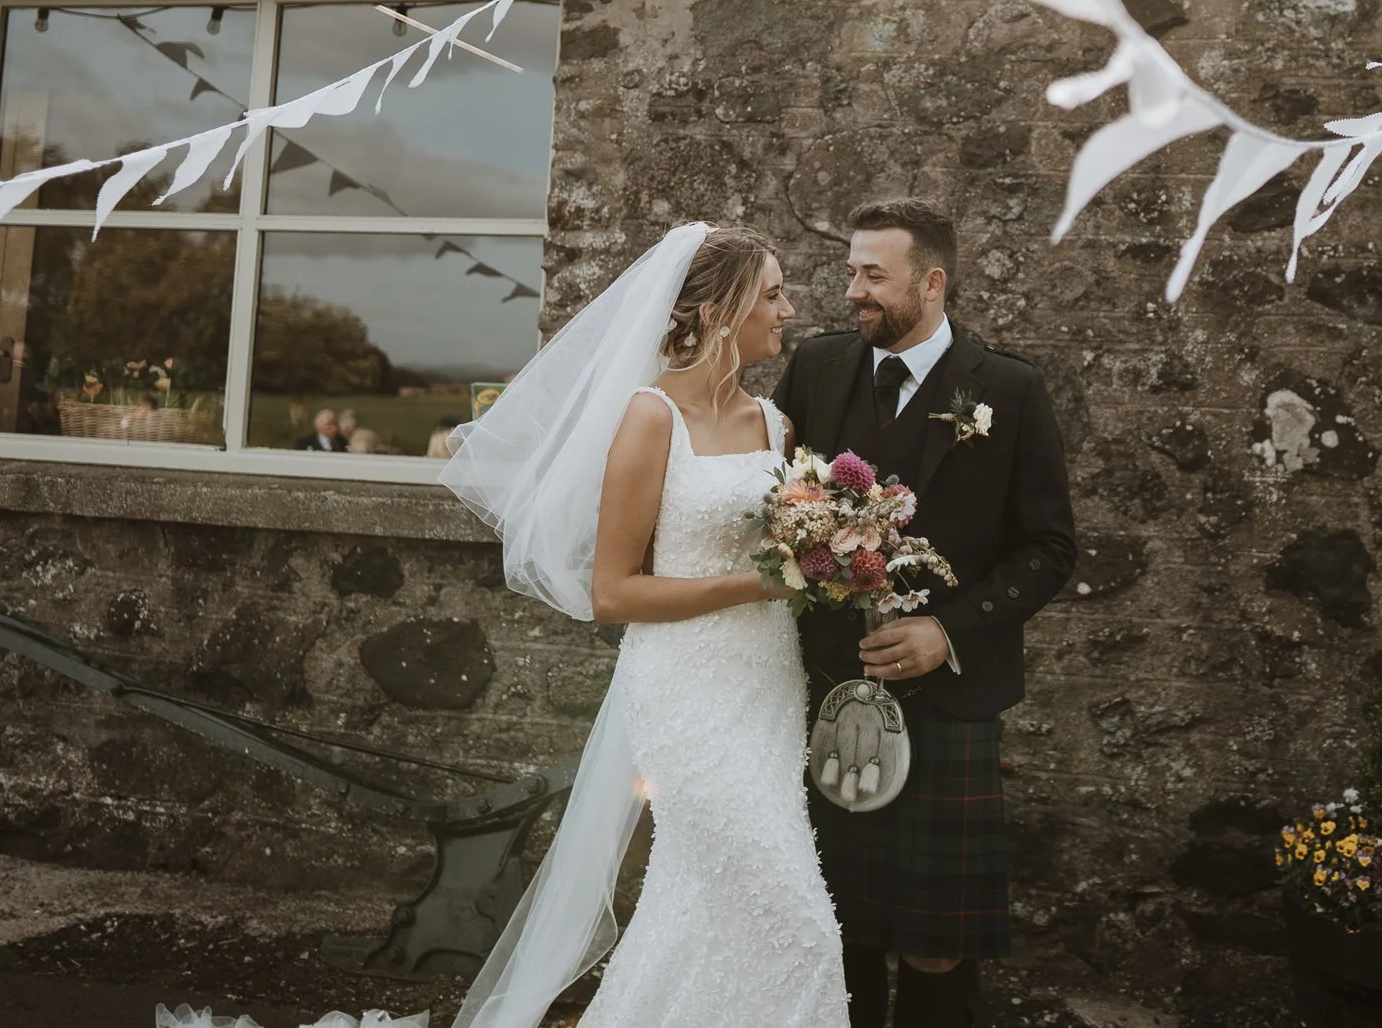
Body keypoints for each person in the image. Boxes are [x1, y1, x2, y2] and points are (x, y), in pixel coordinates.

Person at [436, 223, 848, 1028]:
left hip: (768, 687)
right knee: (800, 923)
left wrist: (837, 553)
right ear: (722, 308)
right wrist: (756, 583)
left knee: (697, 906)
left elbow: (791, 554)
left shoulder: (776, 427)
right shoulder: (650, 417)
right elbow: (613, 590)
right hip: (686, 693)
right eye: (773, 293)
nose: (789, 309)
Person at [773, 198, 1076, 1028]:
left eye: (874, 275)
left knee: (937, 939)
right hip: (824, 685)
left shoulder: (1007, 390)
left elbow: (1050, 547)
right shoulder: (817, 368)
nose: (852, 292)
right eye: (850, 271)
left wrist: (949, 630)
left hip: (948, 702)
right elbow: (777, 506)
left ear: (932, 282)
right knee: (836, 926)